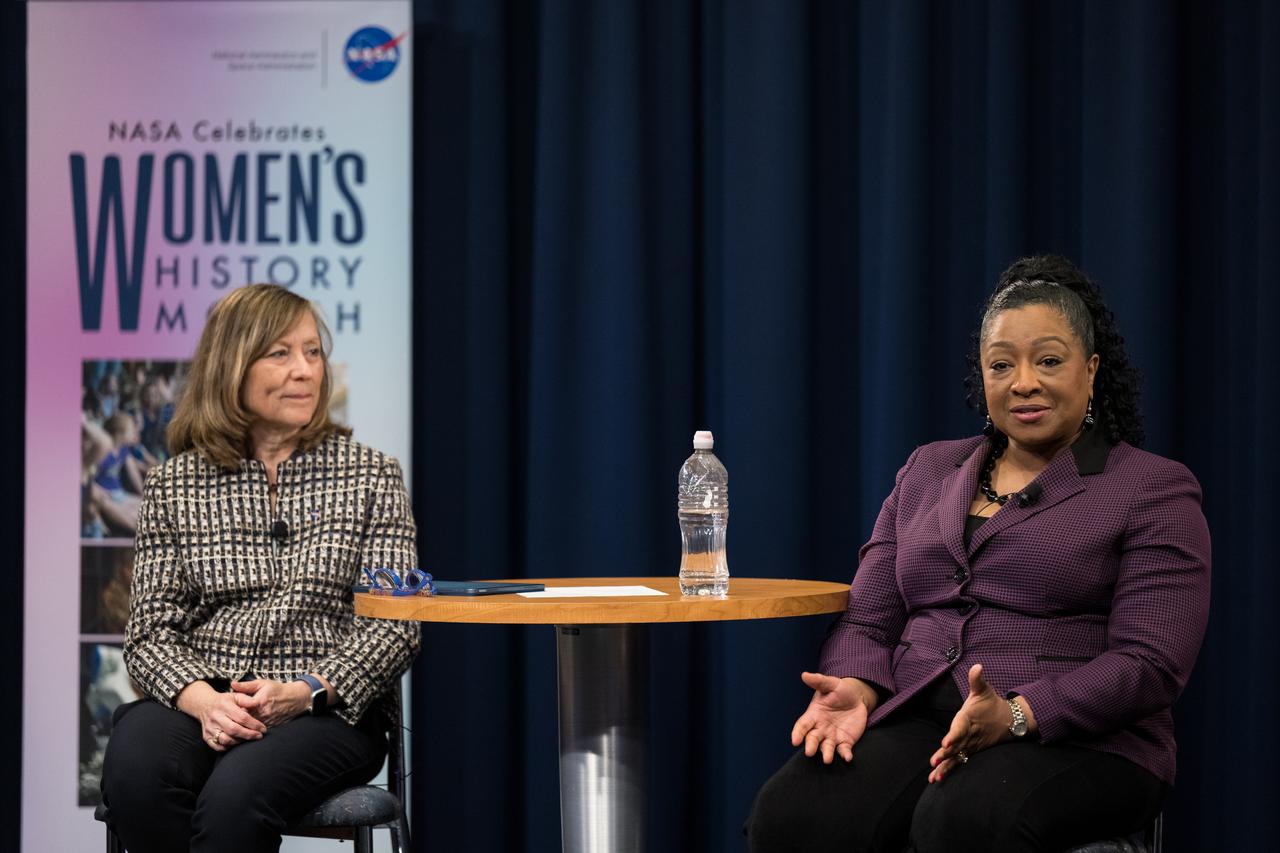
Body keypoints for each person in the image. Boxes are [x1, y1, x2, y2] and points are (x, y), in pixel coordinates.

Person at [745, 255, 1211, 852]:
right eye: (1001, 365)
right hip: (924, 717)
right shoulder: (928, 469)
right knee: (792, 817)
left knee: (961, 822)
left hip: (1080, 737)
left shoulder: (1151, 487)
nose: (1023, 382)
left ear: (1091, 370)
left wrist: (1020, 713)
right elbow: (870, 614)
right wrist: (858, 684)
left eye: (1048, 360)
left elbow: (1151, 663)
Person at [100, 284, 422, 853]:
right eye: (280, 353)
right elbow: (148, 634)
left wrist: (304, 691)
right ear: (232, 367)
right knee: (137, 770)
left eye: (312, 352)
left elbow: (394, 627)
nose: (305, 371)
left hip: (325, 708)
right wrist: (203, 700)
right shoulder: (175, 484)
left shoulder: (372, 476)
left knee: (234, 798)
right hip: (202, 696)